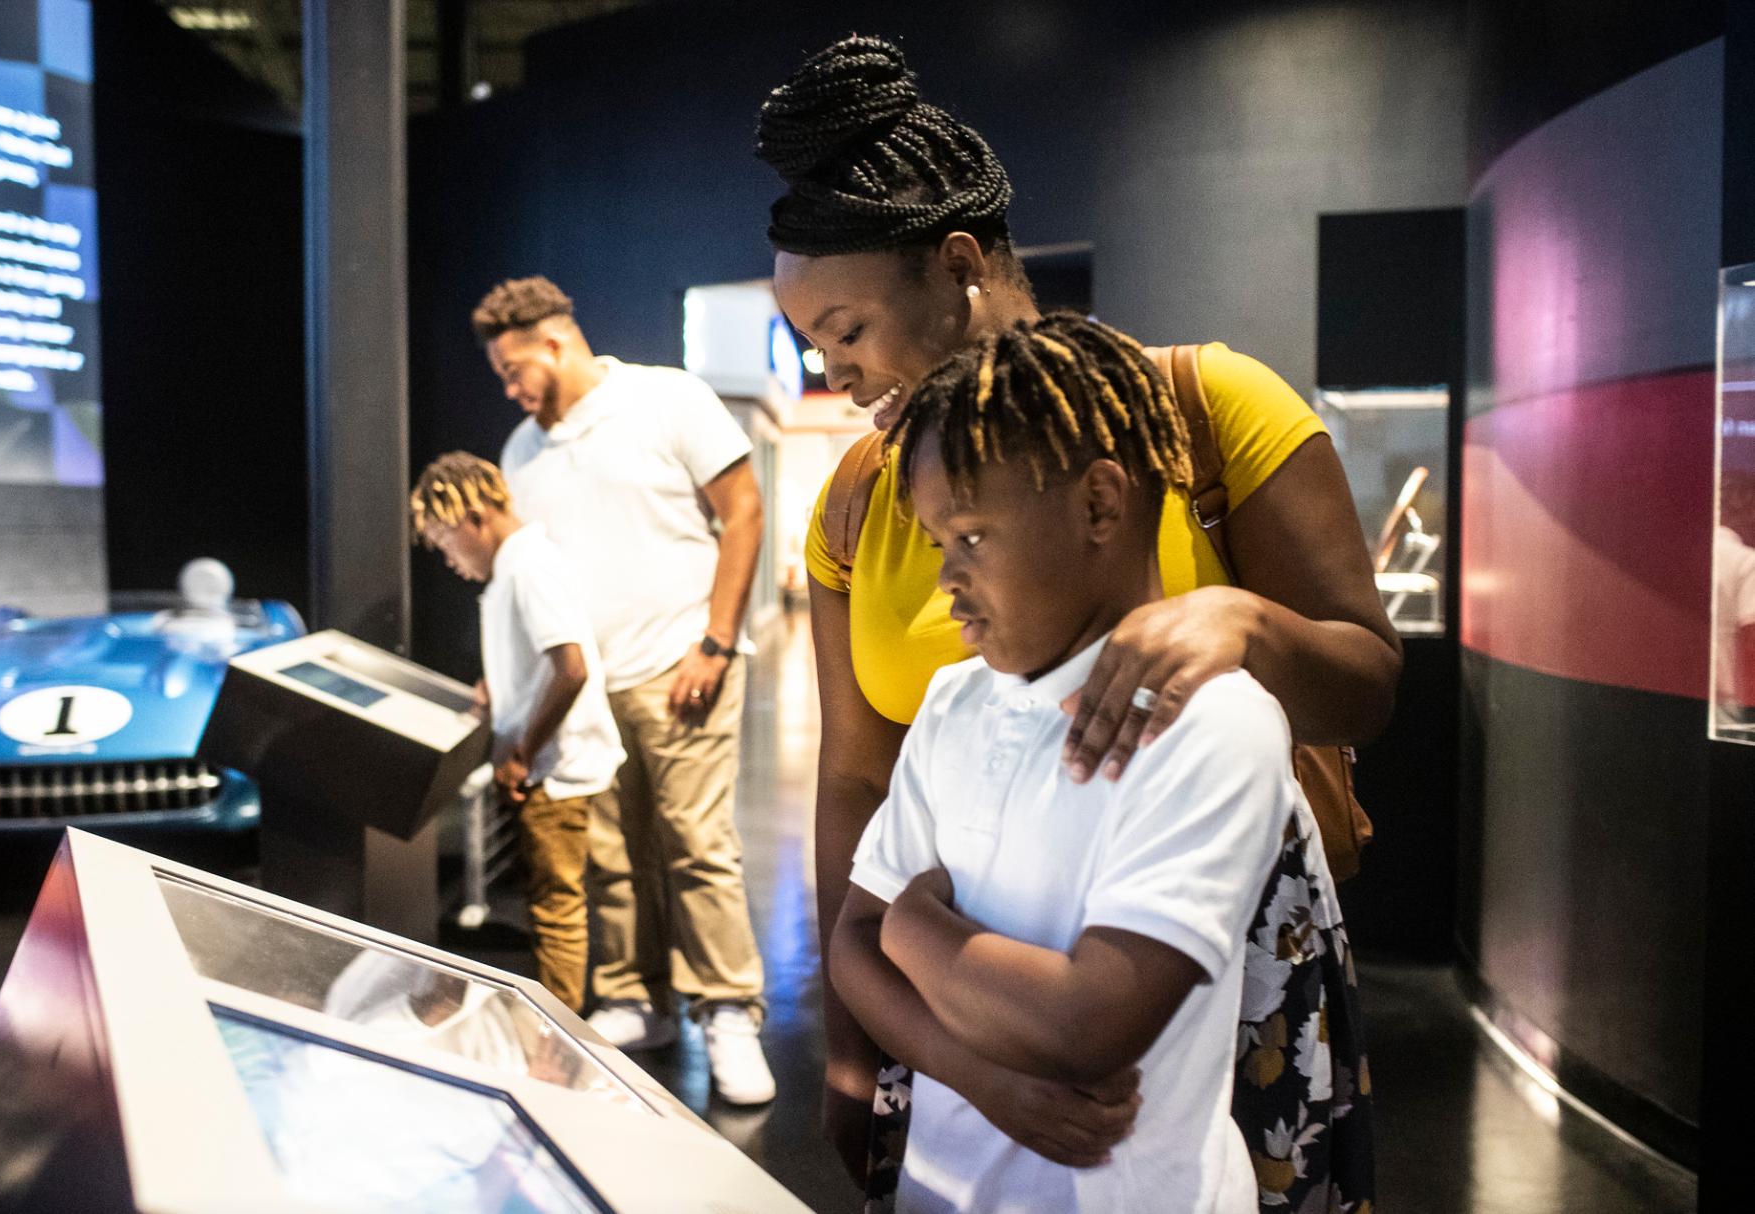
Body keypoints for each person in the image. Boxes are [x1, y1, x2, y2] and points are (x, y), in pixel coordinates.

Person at [757, 35, 1391, 1200]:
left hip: (1218, 968)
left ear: (956, 262)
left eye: (846, 332)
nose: (834, 376)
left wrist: (1240, 625)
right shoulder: (860, 499)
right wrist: (859, 1043)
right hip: (957, 998)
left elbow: (1367, 678)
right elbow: (854, 777)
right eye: (811, 347)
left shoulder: (1202, 408)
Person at [834, 314, 1347, 1214]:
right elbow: (850, 944)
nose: (947, 579)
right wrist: (981, 1078)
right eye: (937, 544)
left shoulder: (1213, 720)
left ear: (1100, 506)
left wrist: (912, 927)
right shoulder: (954, 704)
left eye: (974, 538)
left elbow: (1086, 1023)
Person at [476, 276, 777, 1105]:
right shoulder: (519, 454)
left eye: (513, 370)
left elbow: (743, 511)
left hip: (684, 664)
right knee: (607, 853)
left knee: (697, 845)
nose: (509, 388)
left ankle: (727, 1011)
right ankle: (633, 997)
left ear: (555, 344)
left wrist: (716, 641)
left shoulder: (666, 399)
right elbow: (521, 577)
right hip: (590, 690)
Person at [411, 452, 623, 1015]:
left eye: (446, 541)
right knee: (555, 902)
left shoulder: (528, 567)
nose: (450, 560)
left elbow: (571, 667)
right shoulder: (517, 566)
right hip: (551, 764)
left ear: (474, 517)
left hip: (556, 769)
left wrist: (523, 753)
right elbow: (543, 659)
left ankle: (557, 1042)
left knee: (556, 909)